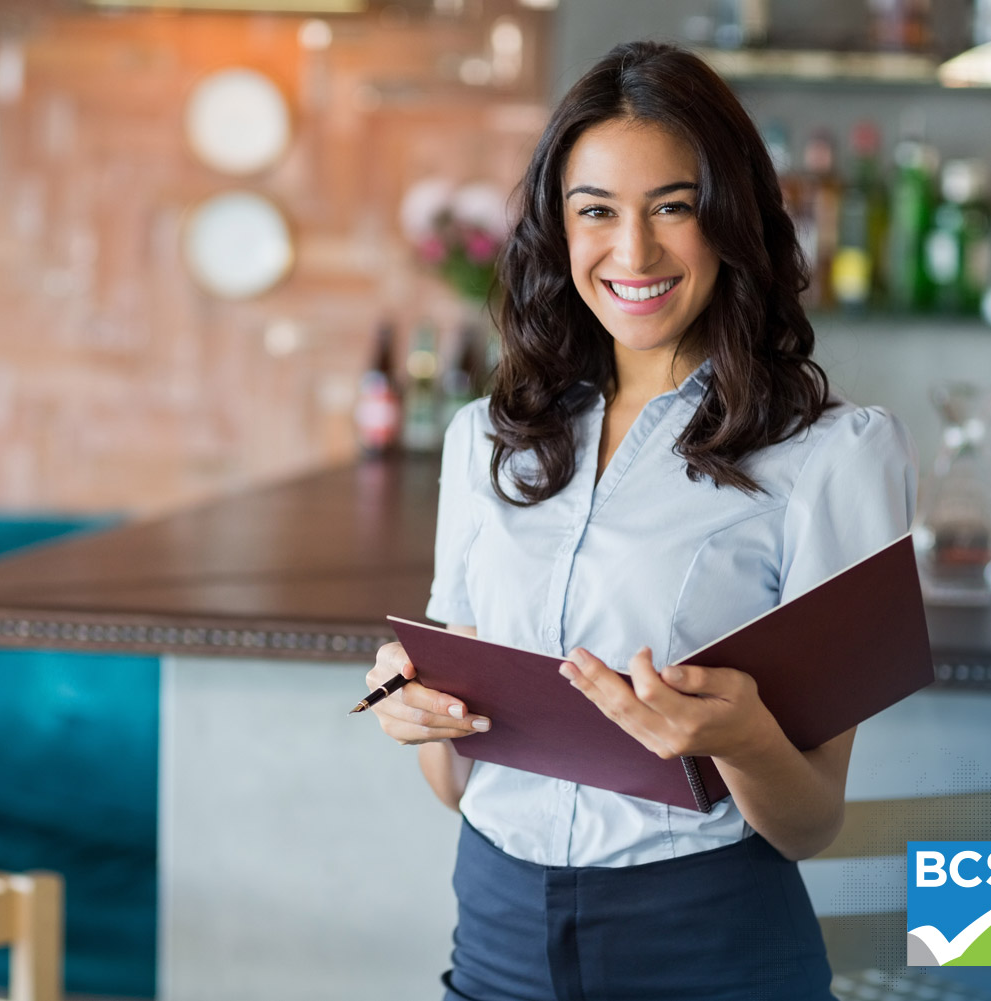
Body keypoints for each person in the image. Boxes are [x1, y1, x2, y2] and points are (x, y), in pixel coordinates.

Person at [364, 41, 916, 1001]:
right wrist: (422, 715)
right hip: (496, 936)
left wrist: (741, 738)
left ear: (731, 217)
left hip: (709, 946)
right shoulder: (485, 441)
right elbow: (461, 786)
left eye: (673, 206)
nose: (634, 253)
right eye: (597, 213)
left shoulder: (833, 456)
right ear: (557, 227)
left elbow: (810, 821)